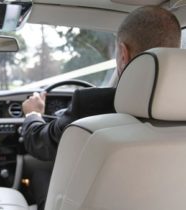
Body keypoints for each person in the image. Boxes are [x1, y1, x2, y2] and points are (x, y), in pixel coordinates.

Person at [21, 5, 181, 210]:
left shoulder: (91, 105)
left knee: (40, 174)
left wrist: (33, 113)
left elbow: (40, 143)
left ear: (123, 54)